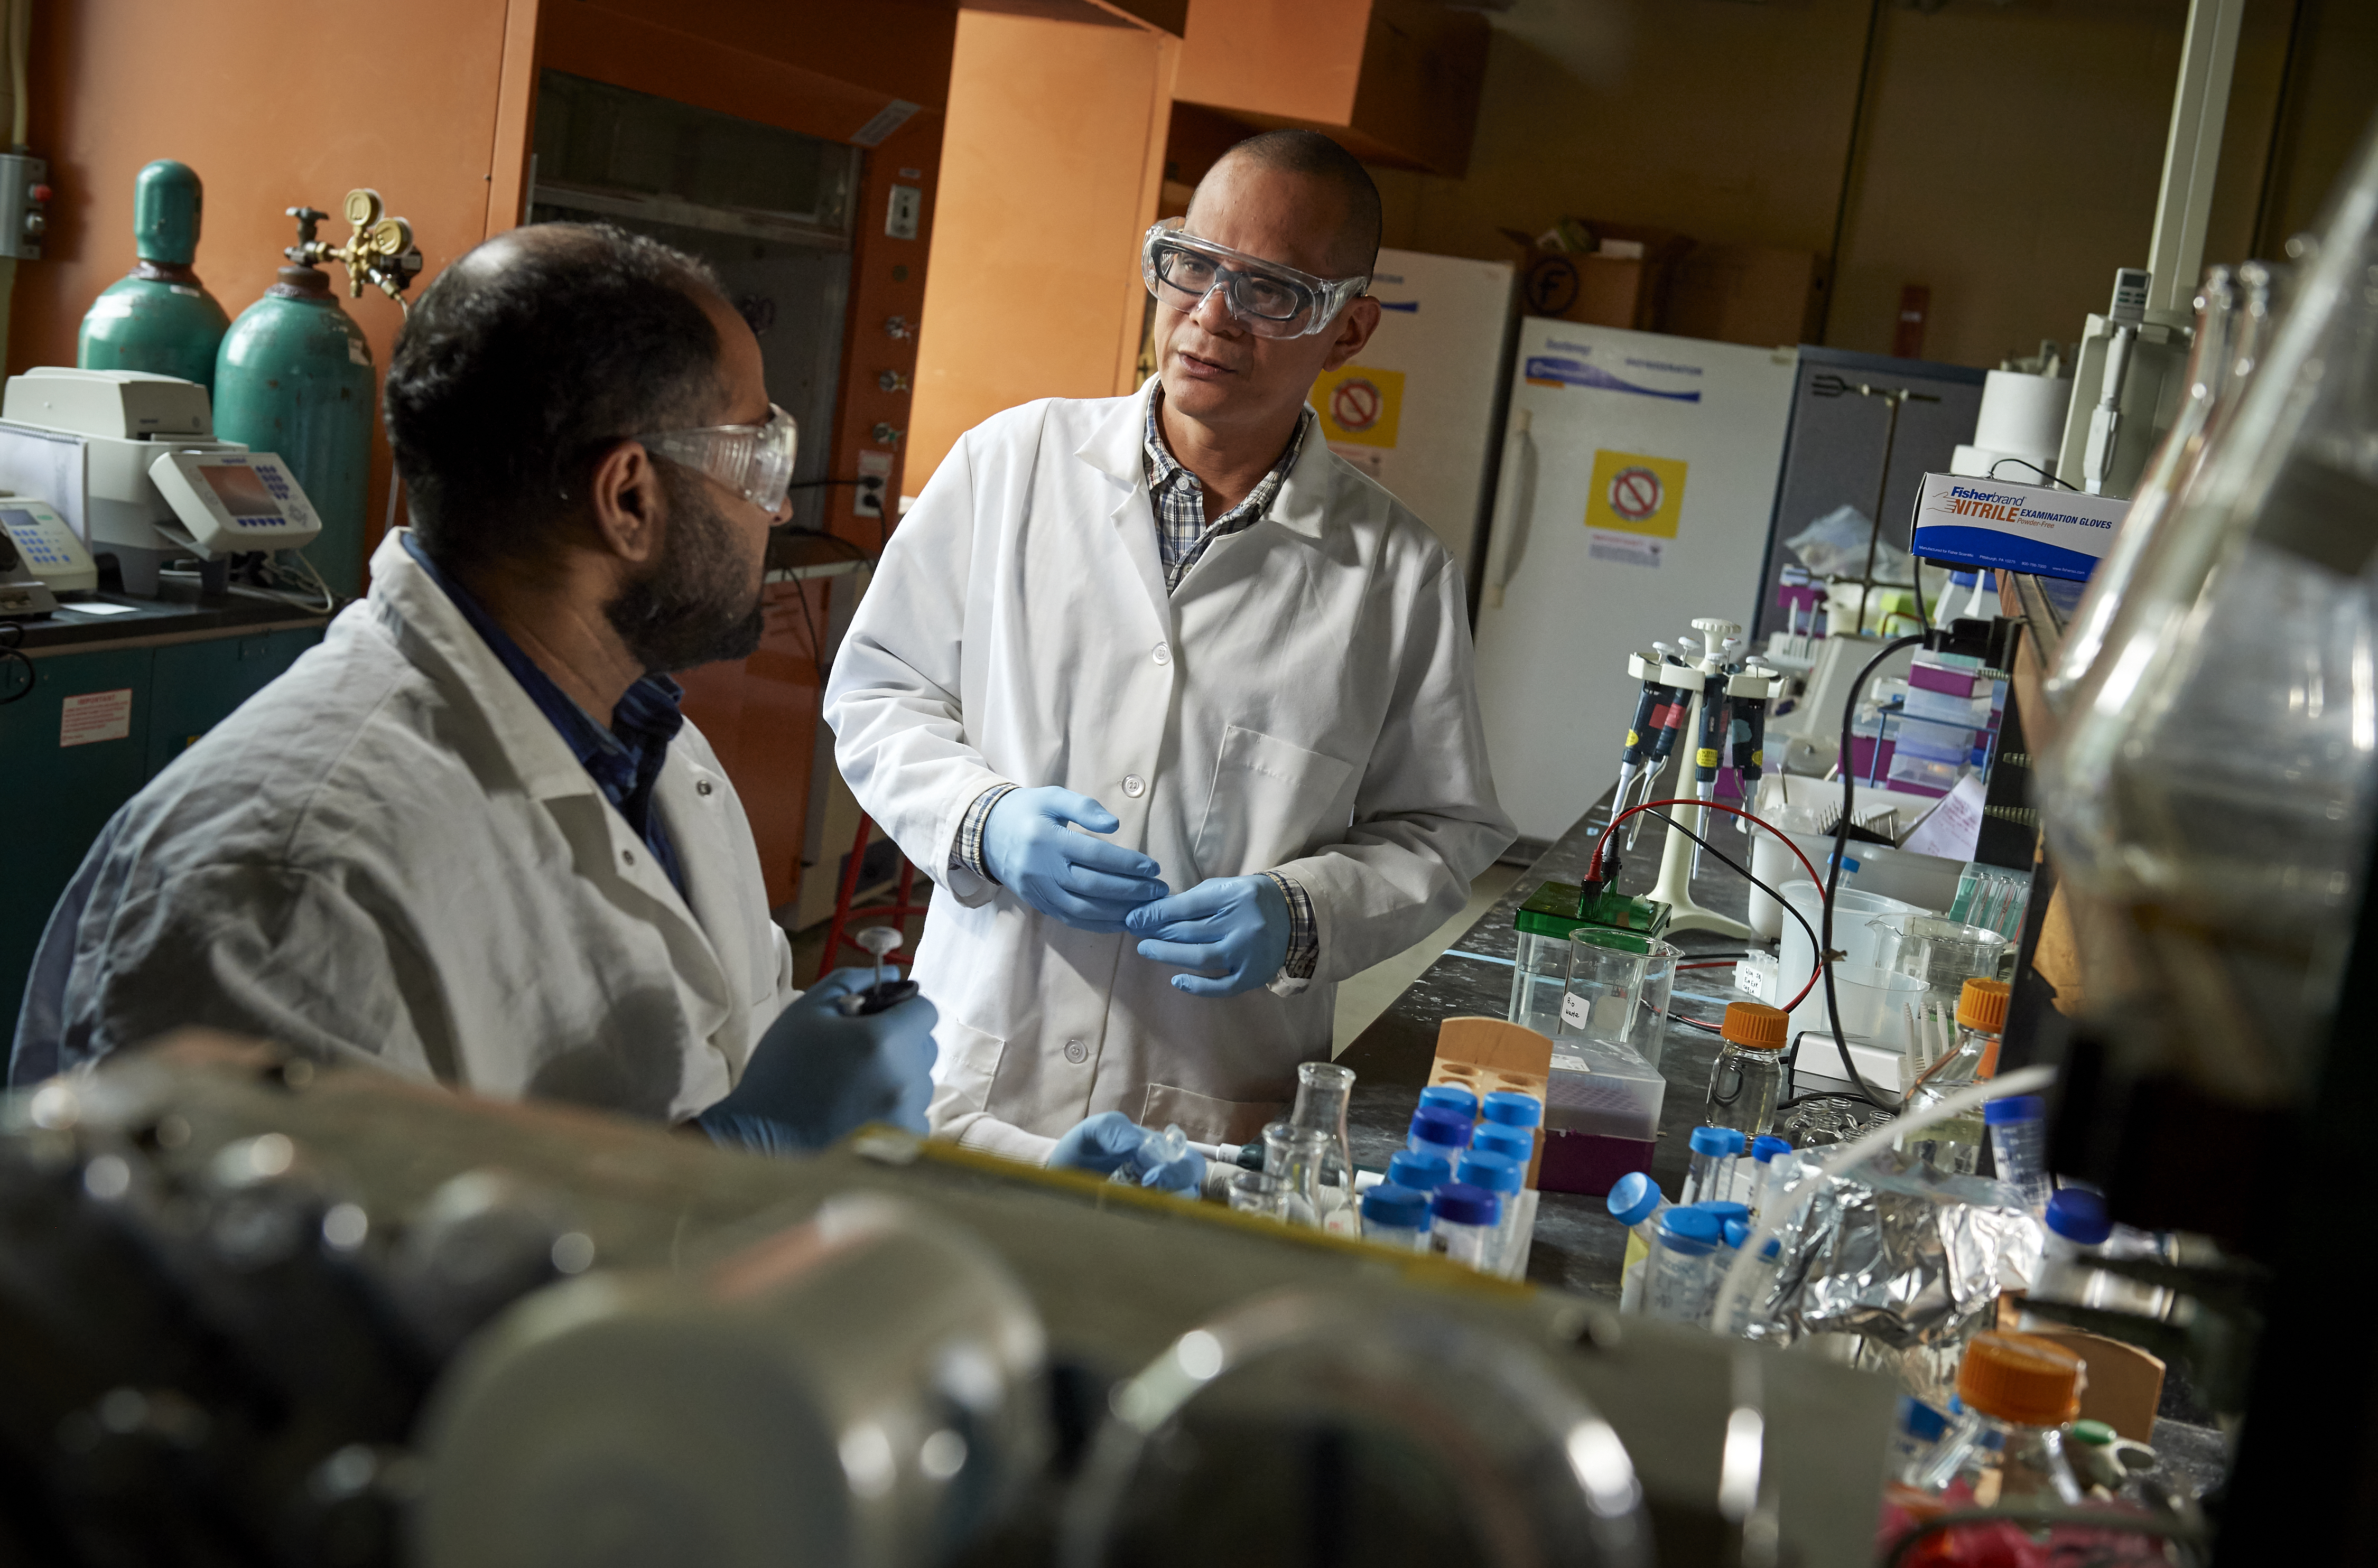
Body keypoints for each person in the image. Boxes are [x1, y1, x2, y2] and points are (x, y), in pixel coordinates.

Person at [8, 222, 939, 1155]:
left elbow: (734, 1044)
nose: (777, 507)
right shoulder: (297, 876)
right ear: (629, 499)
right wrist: (729, 1154)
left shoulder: (652, 750)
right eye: (759, 458)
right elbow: (308, 1285)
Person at [825, 130, 1515, 1171]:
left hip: (1204, 1113)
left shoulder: (1395, 573)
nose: (1210, 317)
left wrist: (1299, 912)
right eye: (1192, 266)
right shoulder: (1010, 467)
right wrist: (987, 819)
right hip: (972, 1070)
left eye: (1272, 291)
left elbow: (1443, 829)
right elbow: (879, 694)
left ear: (1350, 328)